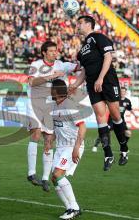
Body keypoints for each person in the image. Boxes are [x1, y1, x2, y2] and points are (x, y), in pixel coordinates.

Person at [69, 15, 129, 171]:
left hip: (107, 80)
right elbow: (83, 71)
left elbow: (108, 57)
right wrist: (75, 85)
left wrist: (101, 78)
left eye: (80, 23)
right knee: (100, 117)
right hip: (92, 84)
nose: (78, 26)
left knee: (116, 115)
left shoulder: (98, 37)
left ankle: (124, 149)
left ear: (89, 24)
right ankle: (108, 154)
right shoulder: (82, 50)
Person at [27, 41, 79, 191]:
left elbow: (78, 66)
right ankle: (31, 173)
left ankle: (44, 178)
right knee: (36, 133)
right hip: (35, 103)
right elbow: (31, 82)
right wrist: (52, 76)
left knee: (49, 140)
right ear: (44, 52)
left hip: (51, 106)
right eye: (51, 51)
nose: (54, 53)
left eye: (56, 51)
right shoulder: (36, 64)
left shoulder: (61, 65)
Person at [51, 79, 86, 220]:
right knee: (54, 178)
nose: (49, 90)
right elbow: (57, 127)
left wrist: (76, 147)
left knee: (58, 174)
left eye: (51, 88)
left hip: (72, 146)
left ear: (57, 91)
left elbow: (82, 127)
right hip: (60, 146)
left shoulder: (70, 105)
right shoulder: (54, 106)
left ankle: (74, 207)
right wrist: (49, 142)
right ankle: (69, 208)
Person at [92, 87, 138, 152]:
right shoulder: (115, 99)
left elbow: (130, 108)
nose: (122, 93)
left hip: (121, 120)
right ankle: (95, 145)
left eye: (124, 91)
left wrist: (135, 115)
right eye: (121, 91)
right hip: (112, 120)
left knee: (128, 133)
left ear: (126, 93)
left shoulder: (127, 101)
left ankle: (122, 147)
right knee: (105, 132)